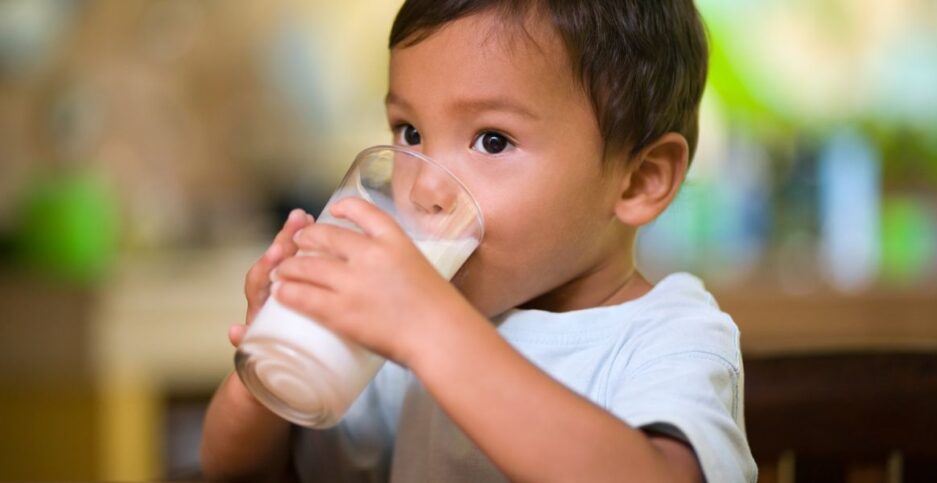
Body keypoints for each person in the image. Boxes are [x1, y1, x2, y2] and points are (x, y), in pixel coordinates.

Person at [201, 0, 757, 481]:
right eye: (409, 132)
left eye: (492, 141)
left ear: (640, 180)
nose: (424, 186)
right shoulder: (400, 336)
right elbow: (242, 471)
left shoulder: (668, 337)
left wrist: (429, 328)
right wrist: (271, 360)